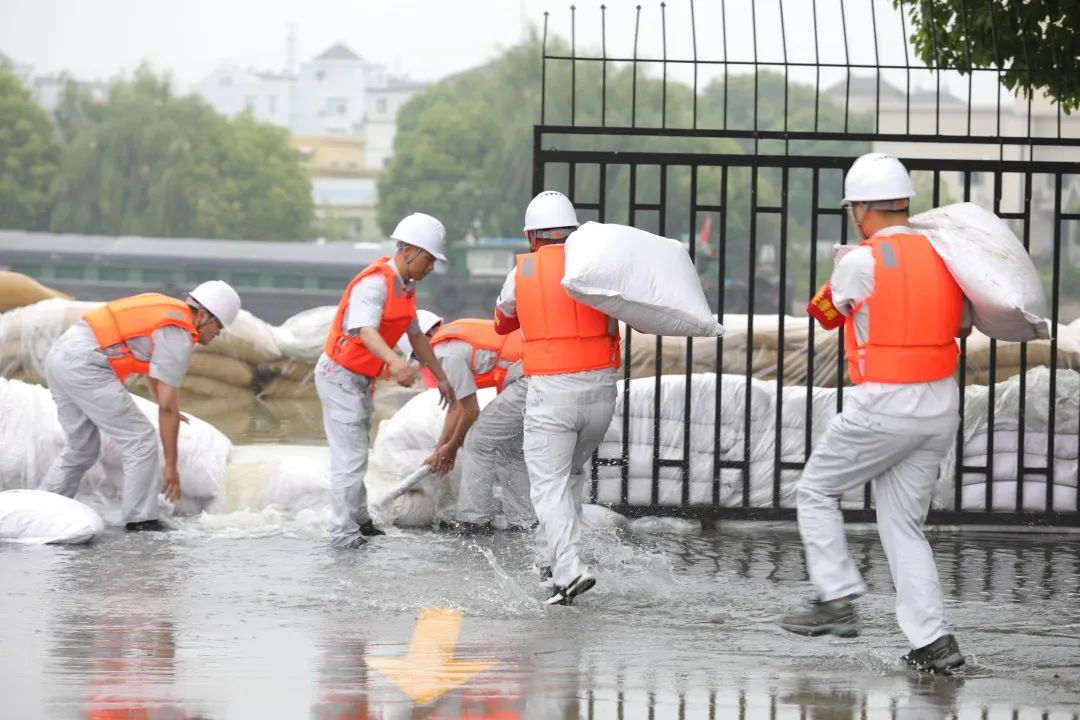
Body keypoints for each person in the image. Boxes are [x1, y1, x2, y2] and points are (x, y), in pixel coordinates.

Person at [782, 153, 968, 673]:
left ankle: (836, 596)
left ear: (861, 207)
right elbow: (967, 321)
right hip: (938, 406)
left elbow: (821, 315)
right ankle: (933, 642)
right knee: (903, 526)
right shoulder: (945, 255)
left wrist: (836, 279)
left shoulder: (862, 260)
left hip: (885, 403)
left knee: (816, 490)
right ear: (904, 202)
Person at [494, 190, 621, 605]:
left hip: (553, 393)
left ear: (532, 237)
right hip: (601, 394)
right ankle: (554, 565)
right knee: (569, 478)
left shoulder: (524, 272)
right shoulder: (598, 265)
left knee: (547, 486)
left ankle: (569, 570)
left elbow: (501, 321)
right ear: (574, 231)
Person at [38, 281, 242, 531]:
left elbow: (155, 374)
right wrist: (171, 469)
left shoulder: (166, 312)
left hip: (60, 357)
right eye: (218, 326)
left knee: (82, 448)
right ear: (203, 315)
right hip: (86, 365)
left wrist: (167, 407)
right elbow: (166, 409)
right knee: (140, 439)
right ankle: (141, 520)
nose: (217, 334)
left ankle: (40, 508)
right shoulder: (178, 333)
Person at [316, 212, 456, 548]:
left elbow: (416, 334)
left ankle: (359, 519)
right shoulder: (375, 282)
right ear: (408, 250)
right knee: (348, 459)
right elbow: (365, 330)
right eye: (429, 259)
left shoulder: (404, 287)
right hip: (340, 376)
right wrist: (394, 361)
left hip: (360, 379)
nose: (432, 267)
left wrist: (441, 377)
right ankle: (343, 533)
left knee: (356, 454)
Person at [424, 317, 532, 534]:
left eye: (418, 356)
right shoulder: (452, 340)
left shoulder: (444, 353)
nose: (422, 363)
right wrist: (439, 450)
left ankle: (474, 521)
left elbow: (471, 410)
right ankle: (524, 521)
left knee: (478, 440)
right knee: (510, 448)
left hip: (529, 377)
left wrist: (452, 447)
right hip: (538, 372)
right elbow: (456, 406)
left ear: (426, 338)